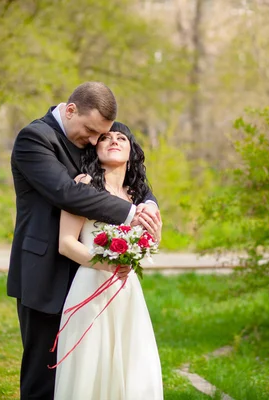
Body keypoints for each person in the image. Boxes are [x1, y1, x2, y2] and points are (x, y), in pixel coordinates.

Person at [7, 82, 160, 399]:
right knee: (45, 373)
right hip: (46, 269)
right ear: (71, 109)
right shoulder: (34, 139)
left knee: (94, 369)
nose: (95, 142)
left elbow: (134, 172)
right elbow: (67, 193)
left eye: (100, 135)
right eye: (91, 132)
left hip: (93, 279)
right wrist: (131, 214)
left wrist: (150, 206)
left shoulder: (100, 129)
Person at [53, 122, 163, 399]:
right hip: (90, 286)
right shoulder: (83, 185)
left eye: (121, 138)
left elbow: (150, 244)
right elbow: (66, 243)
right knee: (91, 363)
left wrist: (153, 238)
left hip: (128, 291)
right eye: (105, 137)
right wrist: (105, 264)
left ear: (131, 150)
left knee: (133, 362)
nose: (113, 141)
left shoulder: (138, 197)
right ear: (95, 147)